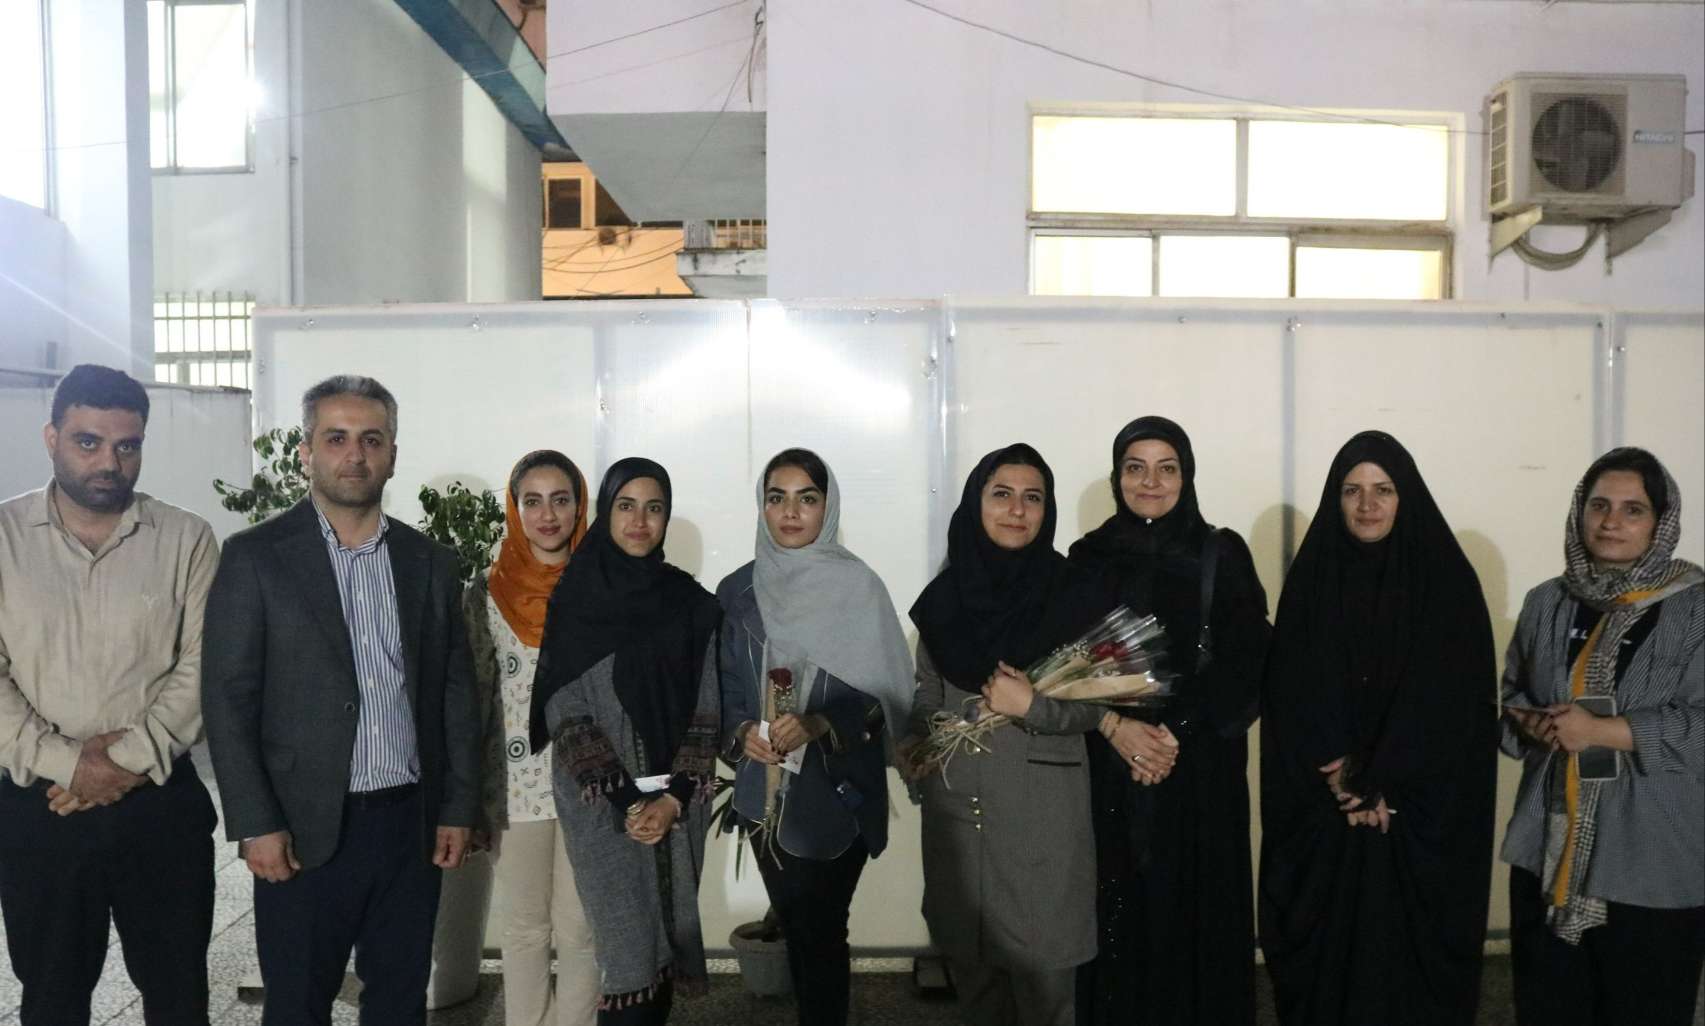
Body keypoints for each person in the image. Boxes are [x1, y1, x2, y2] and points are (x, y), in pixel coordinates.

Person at [201, 374, 482, 1023]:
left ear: (391, 453)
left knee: (399, 1004)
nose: (354, 454)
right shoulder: (255, 558)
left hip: (408, 830)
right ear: (306, 451)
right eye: (336, 438)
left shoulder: (428, 563)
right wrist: (254, 822)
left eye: (371, 439)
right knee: (298, 1006)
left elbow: (455, 693)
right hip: (299, 830)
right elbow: (227, 698)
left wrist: (457, 805)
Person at [0, 364, 219, 1025]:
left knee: (179, 997)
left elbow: (205, 667)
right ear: (51, 437)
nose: (109, 462)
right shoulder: (3, 539)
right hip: (42, 811)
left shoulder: (186, 540)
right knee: (52, 1000)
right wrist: (73, 766)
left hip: (159, 805)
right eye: (87, 441)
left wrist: (121, 764)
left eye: (127, 445)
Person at [1258, 430, 1498, 1026]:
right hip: (1327, 810)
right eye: (1352, 490)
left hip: (1416, 813)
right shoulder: (1312, 584)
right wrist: (1345, 781)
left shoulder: (1448, 585)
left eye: (1383, 489)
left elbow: (1457, 705)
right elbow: (1290, 696)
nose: (1367, 504)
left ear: (1406, 496)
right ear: (1335, 500)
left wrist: (1382, 778)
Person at [1068, 416, 1271, 1026]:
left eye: (1167, 467)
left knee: (1195, 911)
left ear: (1186, 475)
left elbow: (1250, 659)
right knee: (1116, 909)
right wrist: (1119, 732)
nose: (1150, 482)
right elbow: (1066, 665)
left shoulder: (1220, 553)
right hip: (1108, 768)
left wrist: (1172, 734)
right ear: (1116, 476)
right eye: (1136, 467)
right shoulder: (1087, 558)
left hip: (1197, 772)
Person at [903, 443, 1114, 1026]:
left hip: (1040, 819)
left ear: (1047, 511)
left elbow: (1094, 710)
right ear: (976, 504)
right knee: (977, 986)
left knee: (1046, 993)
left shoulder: (1074, 595)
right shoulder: (945, 600)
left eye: (1033, 498)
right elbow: (926, 694)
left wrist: (1032, 705)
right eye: (1002, 495)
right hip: (961, 818)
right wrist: (916, 744)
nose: (1017, 510)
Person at [1499, 447, 1704, 1026]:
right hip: (1549, 849)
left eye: (1633, 509)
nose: (1611, 522)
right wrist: (1531, 723)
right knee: (1549, 1006)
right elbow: (1512, 693)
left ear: (1660, 522)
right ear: (1578, 513)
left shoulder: (1697, 609)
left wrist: (1604, 730)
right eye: (1599, 506)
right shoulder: (1548, 601)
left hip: (1653, 860)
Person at [717, 448, 914, 1026]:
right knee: (798, 928)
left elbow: (889, 700)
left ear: (827, 507)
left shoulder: (859, 588)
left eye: (807, 498)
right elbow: (724, 686)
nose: (791, 512)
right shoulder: (738, 591)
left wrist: (824, 722)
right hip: (764, 793)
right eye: (776, 497)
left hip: (837, 790)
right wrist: (739, 732)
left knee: (823, 931)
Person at [529, 458, 721, 1025]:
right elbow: (566, 714)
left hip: (679, 804)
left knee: (668, 938)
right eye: (626, 506)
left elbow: (707, 709)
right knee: (628, 956)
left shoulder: (692, 603)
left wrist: (671, 799)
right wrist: (632, 803)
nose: (640, 521)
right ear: (605, 512)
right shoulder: (576, 598)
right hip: (606, 811)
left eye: (654, 508)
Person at [465, 450, 597, 1026]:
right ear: (514, 510)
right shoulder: (483, 595)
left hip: (590, 782)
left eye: (561, 499)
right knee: (522, 928)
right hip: (514, 790)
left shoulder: (603, 591)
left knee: (580, 925)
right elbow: (470, 700)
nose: (547, 515)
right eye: (533, 501)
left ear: (579, 507)